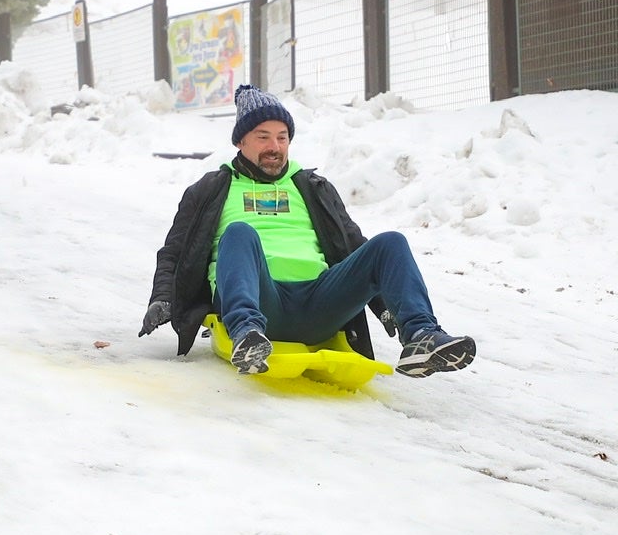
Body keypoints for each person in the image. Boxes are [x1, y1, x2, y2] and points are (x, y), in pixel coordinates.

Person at [139, 84, 476, 379]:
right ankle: (246, 336)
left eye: (282, 137)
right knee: (239, 233)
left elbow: (352, 246)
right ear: (241, 141)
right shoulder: (212, 188)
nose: (275, 146)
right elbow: (175, 251)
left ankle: (421, 336)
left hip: (319, 302)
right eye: (263, 137)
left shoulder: (312, 187)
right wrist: (163, 298)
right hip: (261, 302)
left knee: (390, 244)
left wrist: (385, 308)